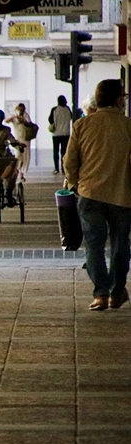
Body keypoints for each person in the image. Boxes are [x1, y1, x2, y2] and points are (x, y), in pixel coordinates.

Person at [63, 79, 131, 311]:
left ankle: (100, 293)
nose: (124, 99)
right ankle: (116, 292)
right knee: (121, 246)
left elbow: (70, 161)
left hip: (89, 194)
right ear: (116, 99)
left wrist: (75, 184)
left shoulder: (81, 125)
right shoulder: (127, 126)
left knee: (94, 245)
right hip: (122, 195)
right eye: (123, 95)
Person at [4, 102, 33, 181]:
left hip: (25, 138)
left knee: (25, 155)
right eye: (20, 109)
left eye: (22, 110)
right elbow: (6, 121)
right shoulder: (14, 114)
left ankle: (21, 173)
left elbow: (30, 124)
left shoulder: (26, 115)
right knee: (18, 155)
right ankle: (16, 171)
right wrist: (14, 117)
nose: (21, 111)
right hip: (17, 138)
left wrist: (23, 121)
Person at [49, 95, 73, 174]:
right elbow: (71, 117)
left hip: (56, 134)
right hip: (66, 133)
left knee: (55, 151)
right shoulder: (68, 109)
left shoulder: (55, 109)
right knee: (64, 152)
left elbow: (50, 119)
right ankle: (63, 168)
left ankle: (56, 168)